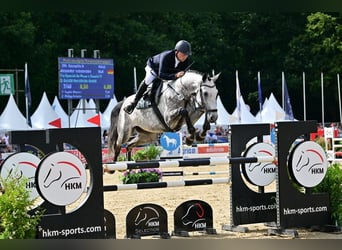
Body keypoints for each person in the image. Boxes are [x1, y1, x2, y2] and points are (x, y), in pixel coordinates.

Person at [124, 40, 192, 114]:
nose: (184, 57)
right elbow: (161, 75)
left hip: (169, 71)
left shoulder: (186, 60)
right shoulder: (166, 56)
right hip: (154, 68)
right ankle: (133, 103)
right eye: (183, 54)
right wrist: (175, 75)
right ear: (176, 51)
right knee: (148, 80)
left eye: (186, 55)